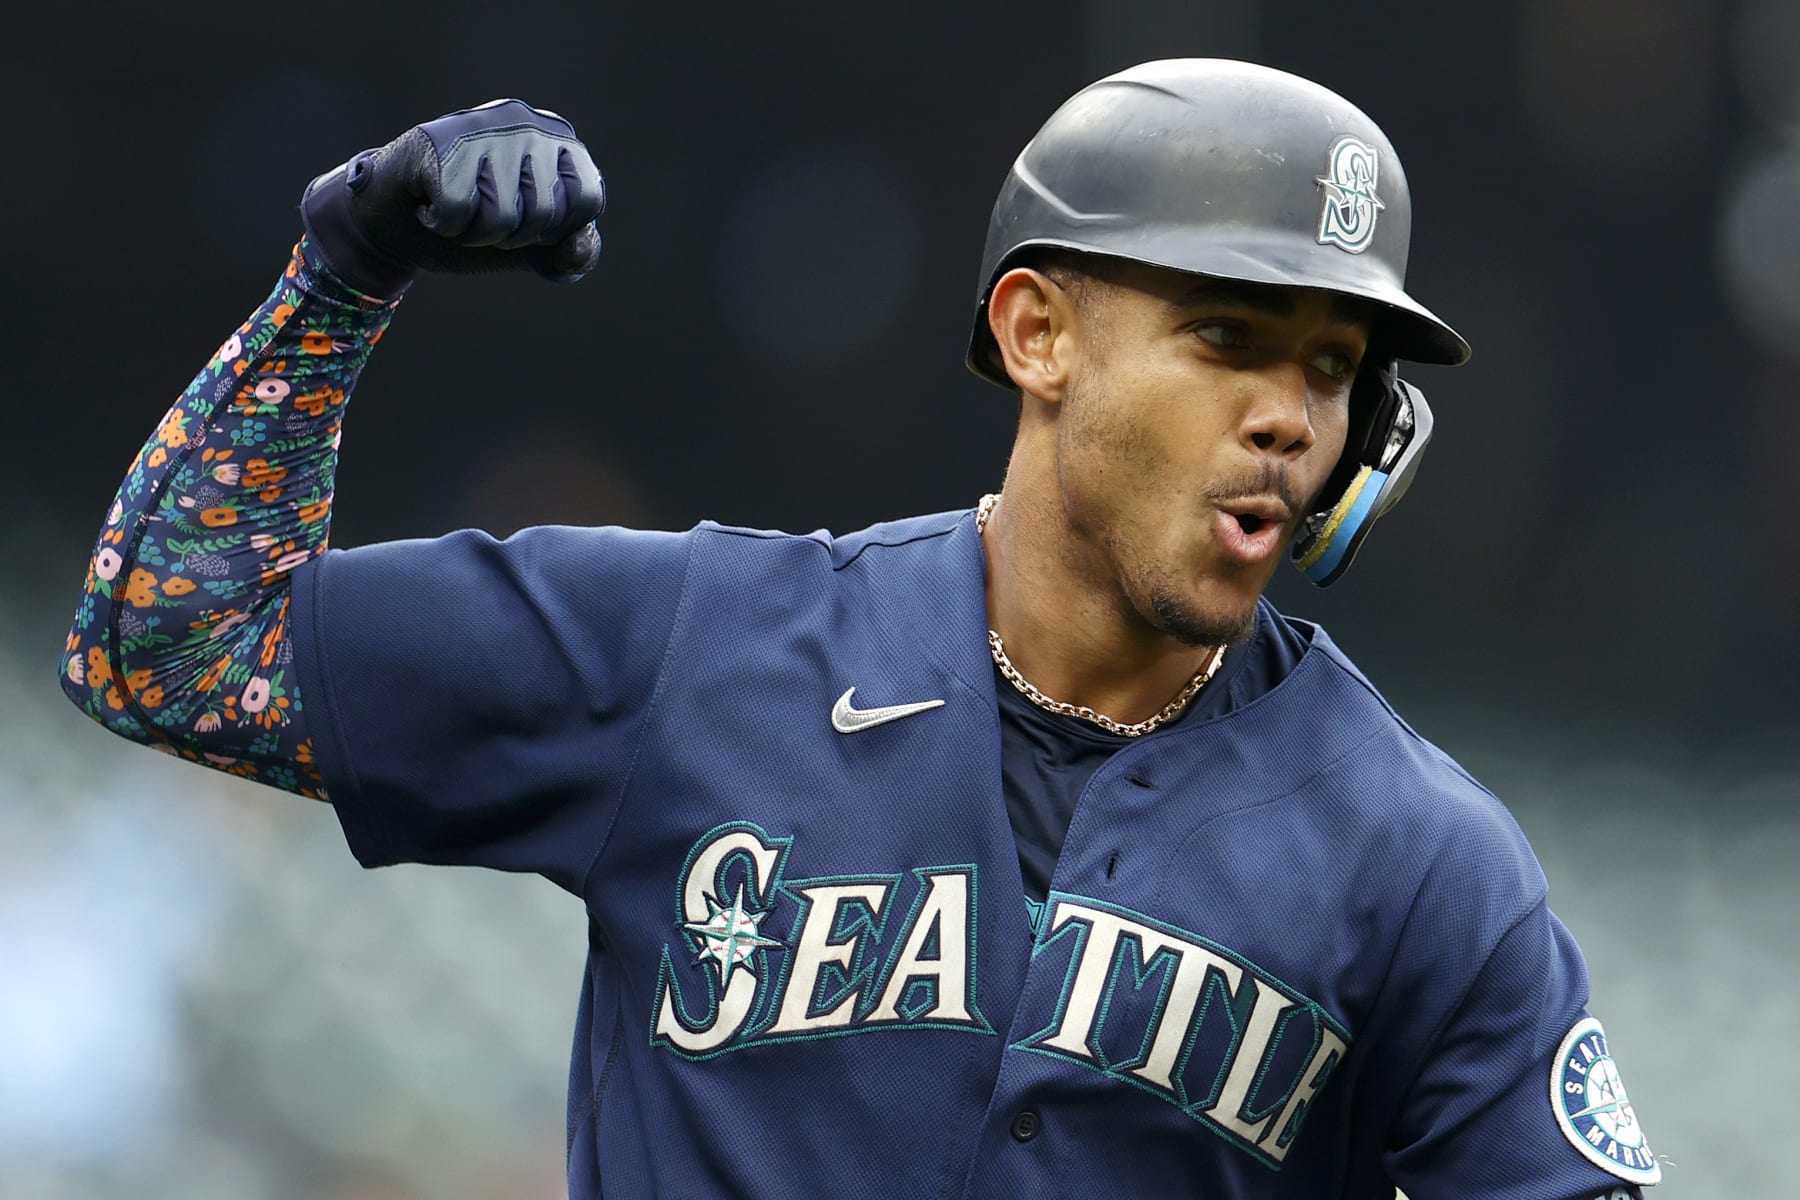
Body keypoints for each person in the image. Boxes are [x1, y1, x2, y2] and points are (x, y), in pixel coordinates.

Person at [59, 61, 1659, 1198]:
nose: (1286, 419)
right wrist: (344, 275)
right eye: (1228, 337)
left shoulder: (1421, 860)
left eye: (1328, 372)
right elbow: (168, 645)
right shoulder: (700, 643)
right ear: (1039, 334)